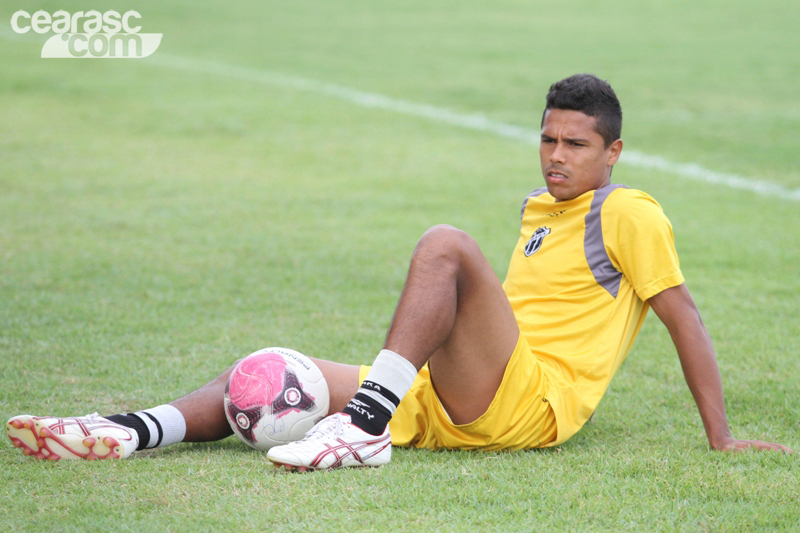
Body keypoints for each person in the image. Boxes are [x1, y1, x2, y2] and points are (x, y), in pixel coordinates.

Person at [6, 74, 791, 468]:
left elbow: (683, 314)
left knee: (446, 244)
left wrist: (721, 436)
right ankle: (122, 429)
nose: (556, 157)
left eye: (576, 145)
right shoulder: (538, 210)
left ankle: (363, 426)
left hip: (533, 402)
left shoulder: (629, 213)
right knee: (269, 369)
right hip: (459, 395)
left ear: (612, 151)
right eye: (548, 140)